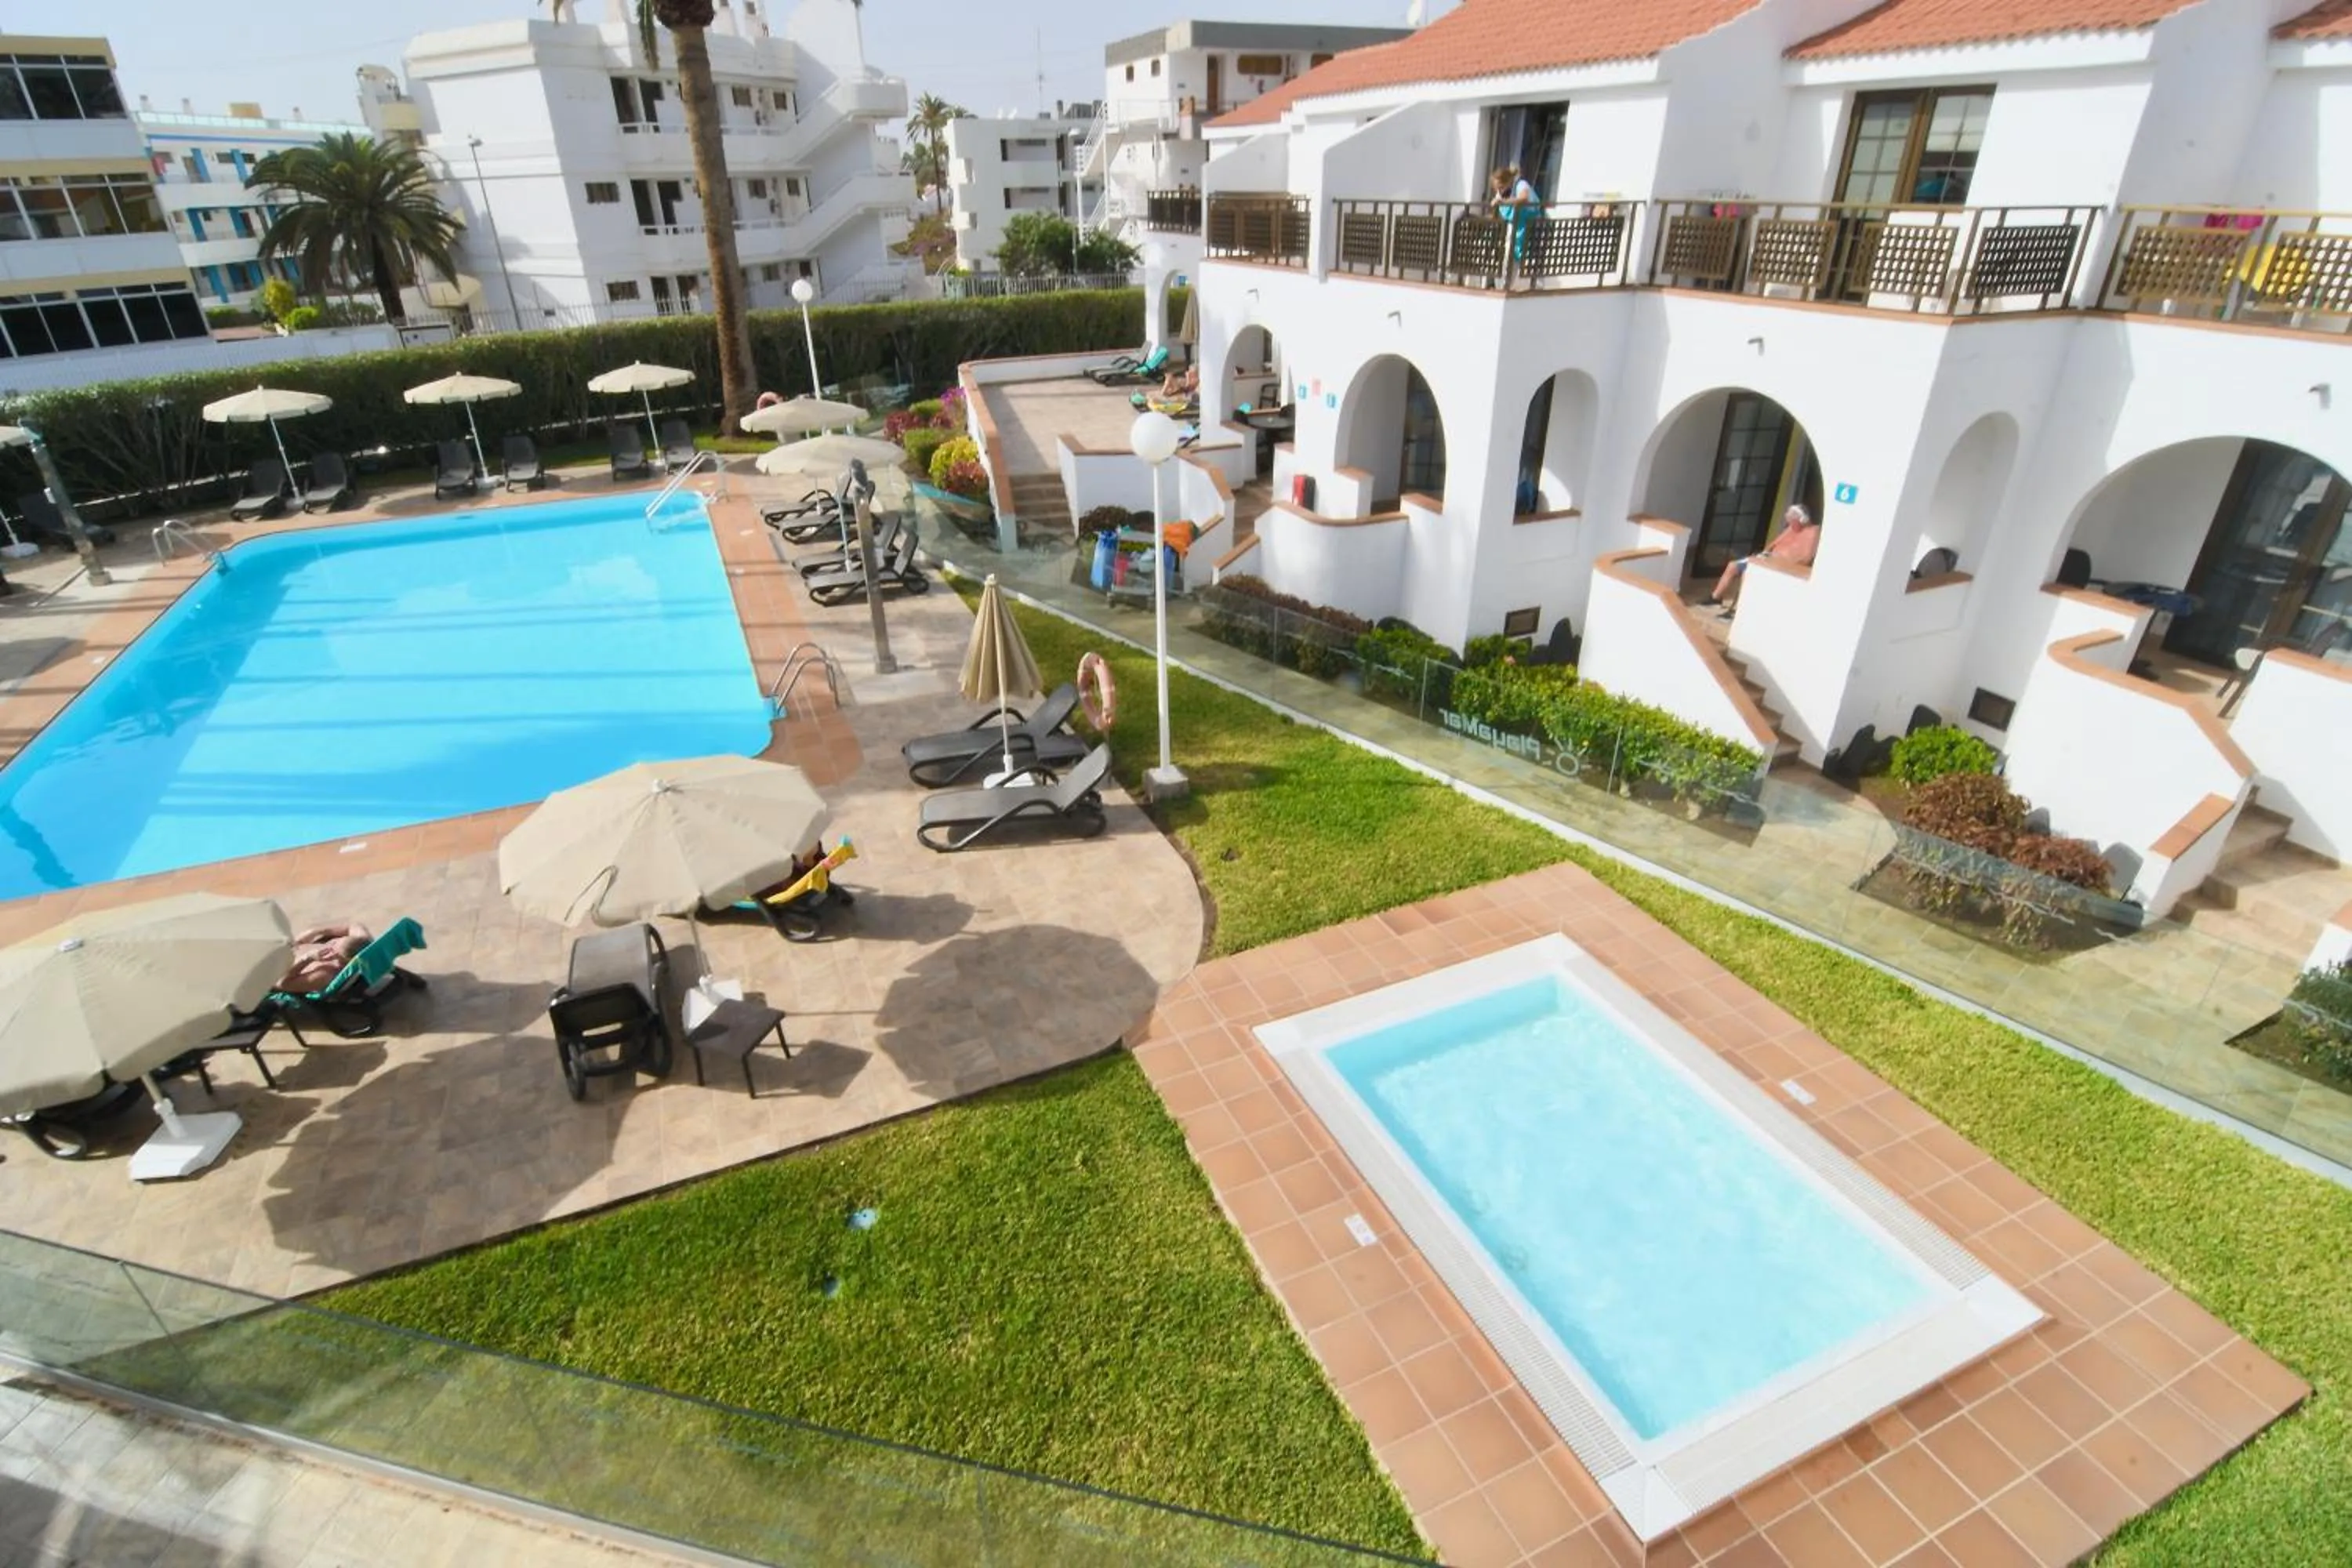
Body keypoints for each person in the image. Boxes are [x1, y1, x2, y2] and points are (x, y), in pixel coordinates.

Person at [1711, 505, 1820, 611]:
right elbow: (1774, 543)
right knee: (1733, 565)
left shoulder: (1813, 532)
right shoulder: (1792, 528)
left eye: (1793, 522)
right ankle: (1715, 597)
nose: (1791, 525)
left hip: (1783, 566)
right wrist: (1763, 554)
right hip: (1769, 560)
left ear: (1803, 520)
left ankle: (1741, 608)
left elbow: (1807, 558)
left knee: (1748, 573)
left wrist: (1784, 562)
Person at [1490, 165, 1538, 279]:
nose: (1499, 191)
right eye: (1496, 188)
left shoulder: (1521, 185)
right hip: (1513, 227)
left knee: (1515, 255)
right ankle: (1501, 282)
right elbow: (1498, 213)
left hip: (1529, 225)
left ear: (1509, 182)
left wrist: (1503, 202)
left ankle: (1509, 284)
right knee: (1506, 254)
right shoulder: (1502, 193)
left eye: (1501, 187)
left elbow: (1524, 198)